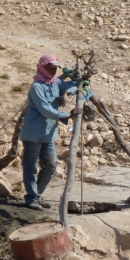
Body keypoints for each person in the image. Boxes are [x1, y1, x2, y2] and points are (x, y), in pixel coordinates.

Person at [20, 54, 81, 210]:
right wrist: (68, 114)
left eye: (55, 68)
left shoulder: (55, 83)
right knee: (31, 167)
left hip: (48, 134)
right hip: (33, 133)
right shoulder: (36, 87)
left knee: (51, 166)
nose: (53, 71)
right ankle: (32, 198)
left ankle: (37, 195)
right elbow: (46, 111)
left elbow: (74, 85)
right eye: (50, 68)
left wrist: (64, 93)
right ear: (43, 67)